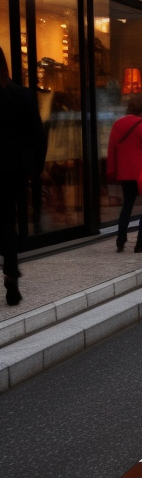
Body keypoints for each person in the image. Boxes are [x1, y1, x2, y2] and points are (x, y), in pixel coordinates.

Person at [0, 49, 46, 305]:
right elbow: (37, 134)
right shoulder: (22, 94)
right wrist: (36, 168)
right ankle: (10, 276)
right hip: (12, 167)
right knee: (7, 223)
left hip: (12, 166)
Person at [106, 91, 142, 255]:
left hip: (126, 174)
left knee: (127, 206)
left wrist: (112, 171)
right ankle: (140, 243)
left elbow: (112, 149)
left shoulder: (118, 124)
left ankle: (121, 240)